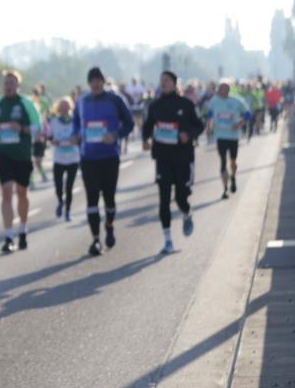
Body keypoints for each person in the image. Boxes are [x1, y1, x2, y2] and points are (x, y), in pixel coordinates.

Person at [73, 67, 134, 256]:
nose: (96, 83)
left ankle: (109, 225)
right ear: (89, 83)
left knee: (109, 199)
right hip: (88, 158)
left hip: (109, 157)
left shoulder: (115, 99)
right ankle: (95, 240)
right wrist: (75, 135)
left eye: (99, 80)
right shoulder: (82, 101)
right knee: (92, 198)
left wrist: (116, 135)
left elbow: (129, 123)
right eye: (92, 80)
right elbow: (75, 122)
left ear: (104, 81)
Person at [142, 71, 205, 254]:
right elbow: (147, 126)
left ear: (175, 83)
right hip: (163, 157)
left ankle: (186, 213)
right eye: (161, 80)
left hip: (183, 157)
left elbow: (199, 125)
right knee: (163, 199)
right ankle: (168, 240)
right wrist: (145, 139)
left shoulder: (186, 104)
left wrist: (189, 135)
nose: (163, 83)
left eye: (167, 80)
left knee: (180, 197)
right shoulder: (155, 105)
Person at [0, 69, 41, 253]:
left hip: (23, 155)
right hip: (4, 155)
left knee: (22, 193)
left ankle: (23, 230)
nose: (8, 86)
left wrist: (22, 128)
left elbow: (37, 128)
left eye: (12, 83)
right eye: (5, 83)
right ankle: (9, 236)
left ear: (18, 84)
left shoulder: (26, 103)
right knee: (7, 192)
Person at [206, 80, 252, 199]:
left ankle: (233, 176)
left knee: (233, 161)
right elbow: (210, 114)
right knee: (222, 161)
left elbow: (248, 114)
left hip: (233, 136)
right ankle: (225, 189)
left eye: (226, 89)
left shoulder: (237, 101)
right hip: (220, 135)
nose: (223, 91)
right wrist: (209, 127)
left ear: (229, 90)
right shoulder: (214, 101)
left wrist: (239, 123)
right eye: (221, 89)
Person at [47, 97, 80, 221]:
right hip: (59, 159)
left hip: (73, 158)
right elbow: (49, 136)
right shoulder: (54, 121)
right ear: (59, 108)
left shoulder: (75, 121)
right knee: (58, 186)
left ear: (70, 107)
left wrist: (76, 139)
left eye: (67, 106)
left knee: (69, 187)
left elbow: (80, 135)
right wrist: (52, 141)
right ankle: (61, 201)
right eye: (63, 106)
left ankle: (68, 212)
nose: (65, 108)